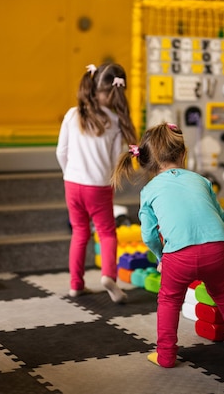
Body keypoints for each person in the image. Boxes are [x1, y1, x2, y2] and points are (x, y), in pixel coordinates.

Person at [112, 122, 224, 368]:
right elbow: (219, 215)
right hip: (217, 250)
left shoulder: (149, 189)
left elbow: (149, 234)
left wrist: (160, 257)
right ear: (183, 153)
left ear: (147, 161)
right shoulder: (201, 180)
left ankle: (166, 355)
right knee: (222, 290)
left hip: (179, 257)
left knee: (169, 301)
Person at [56, 62, 137, 304]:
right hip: (98, 186)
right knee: (106, 232)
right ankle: (108, 276)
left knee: (80, 232)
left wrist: (67, 173)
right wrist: (107, 181)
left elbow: (61, 151)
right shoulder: (115, 121)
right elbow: (114, 161)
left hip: (72, 183)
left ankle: (75, 285)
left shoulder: (72, 114)